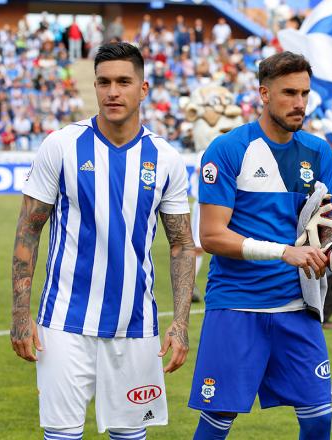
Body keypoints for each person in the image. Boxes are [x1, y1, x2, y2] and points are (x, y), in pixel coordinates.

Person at [10, 42, 196, 440]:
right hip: (63, 321)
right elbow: (29, 230)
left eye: (124, 82)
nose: (113, 91)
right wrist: (19, 315)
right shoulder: (61, 145)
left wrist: (180, 323)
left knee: (129, 436)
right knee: (61, 435)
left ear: (143, 88)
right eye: (104, 82)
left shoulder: (165, 158)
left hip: (135, 324)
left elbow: (181, 244)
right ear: (94, 86)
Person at [187, 51, 332, 440]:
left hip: (296, 308)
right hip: (237, 306)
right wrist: (283, 251)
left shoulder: (318, 152)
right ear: (264, 94)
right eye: (289, 92)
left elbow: (328, 218)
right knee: (217, 422)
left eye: (305, 93)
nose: (299, 102)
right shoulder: (228, 149)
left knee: (319, 418)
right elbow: (212, 236)